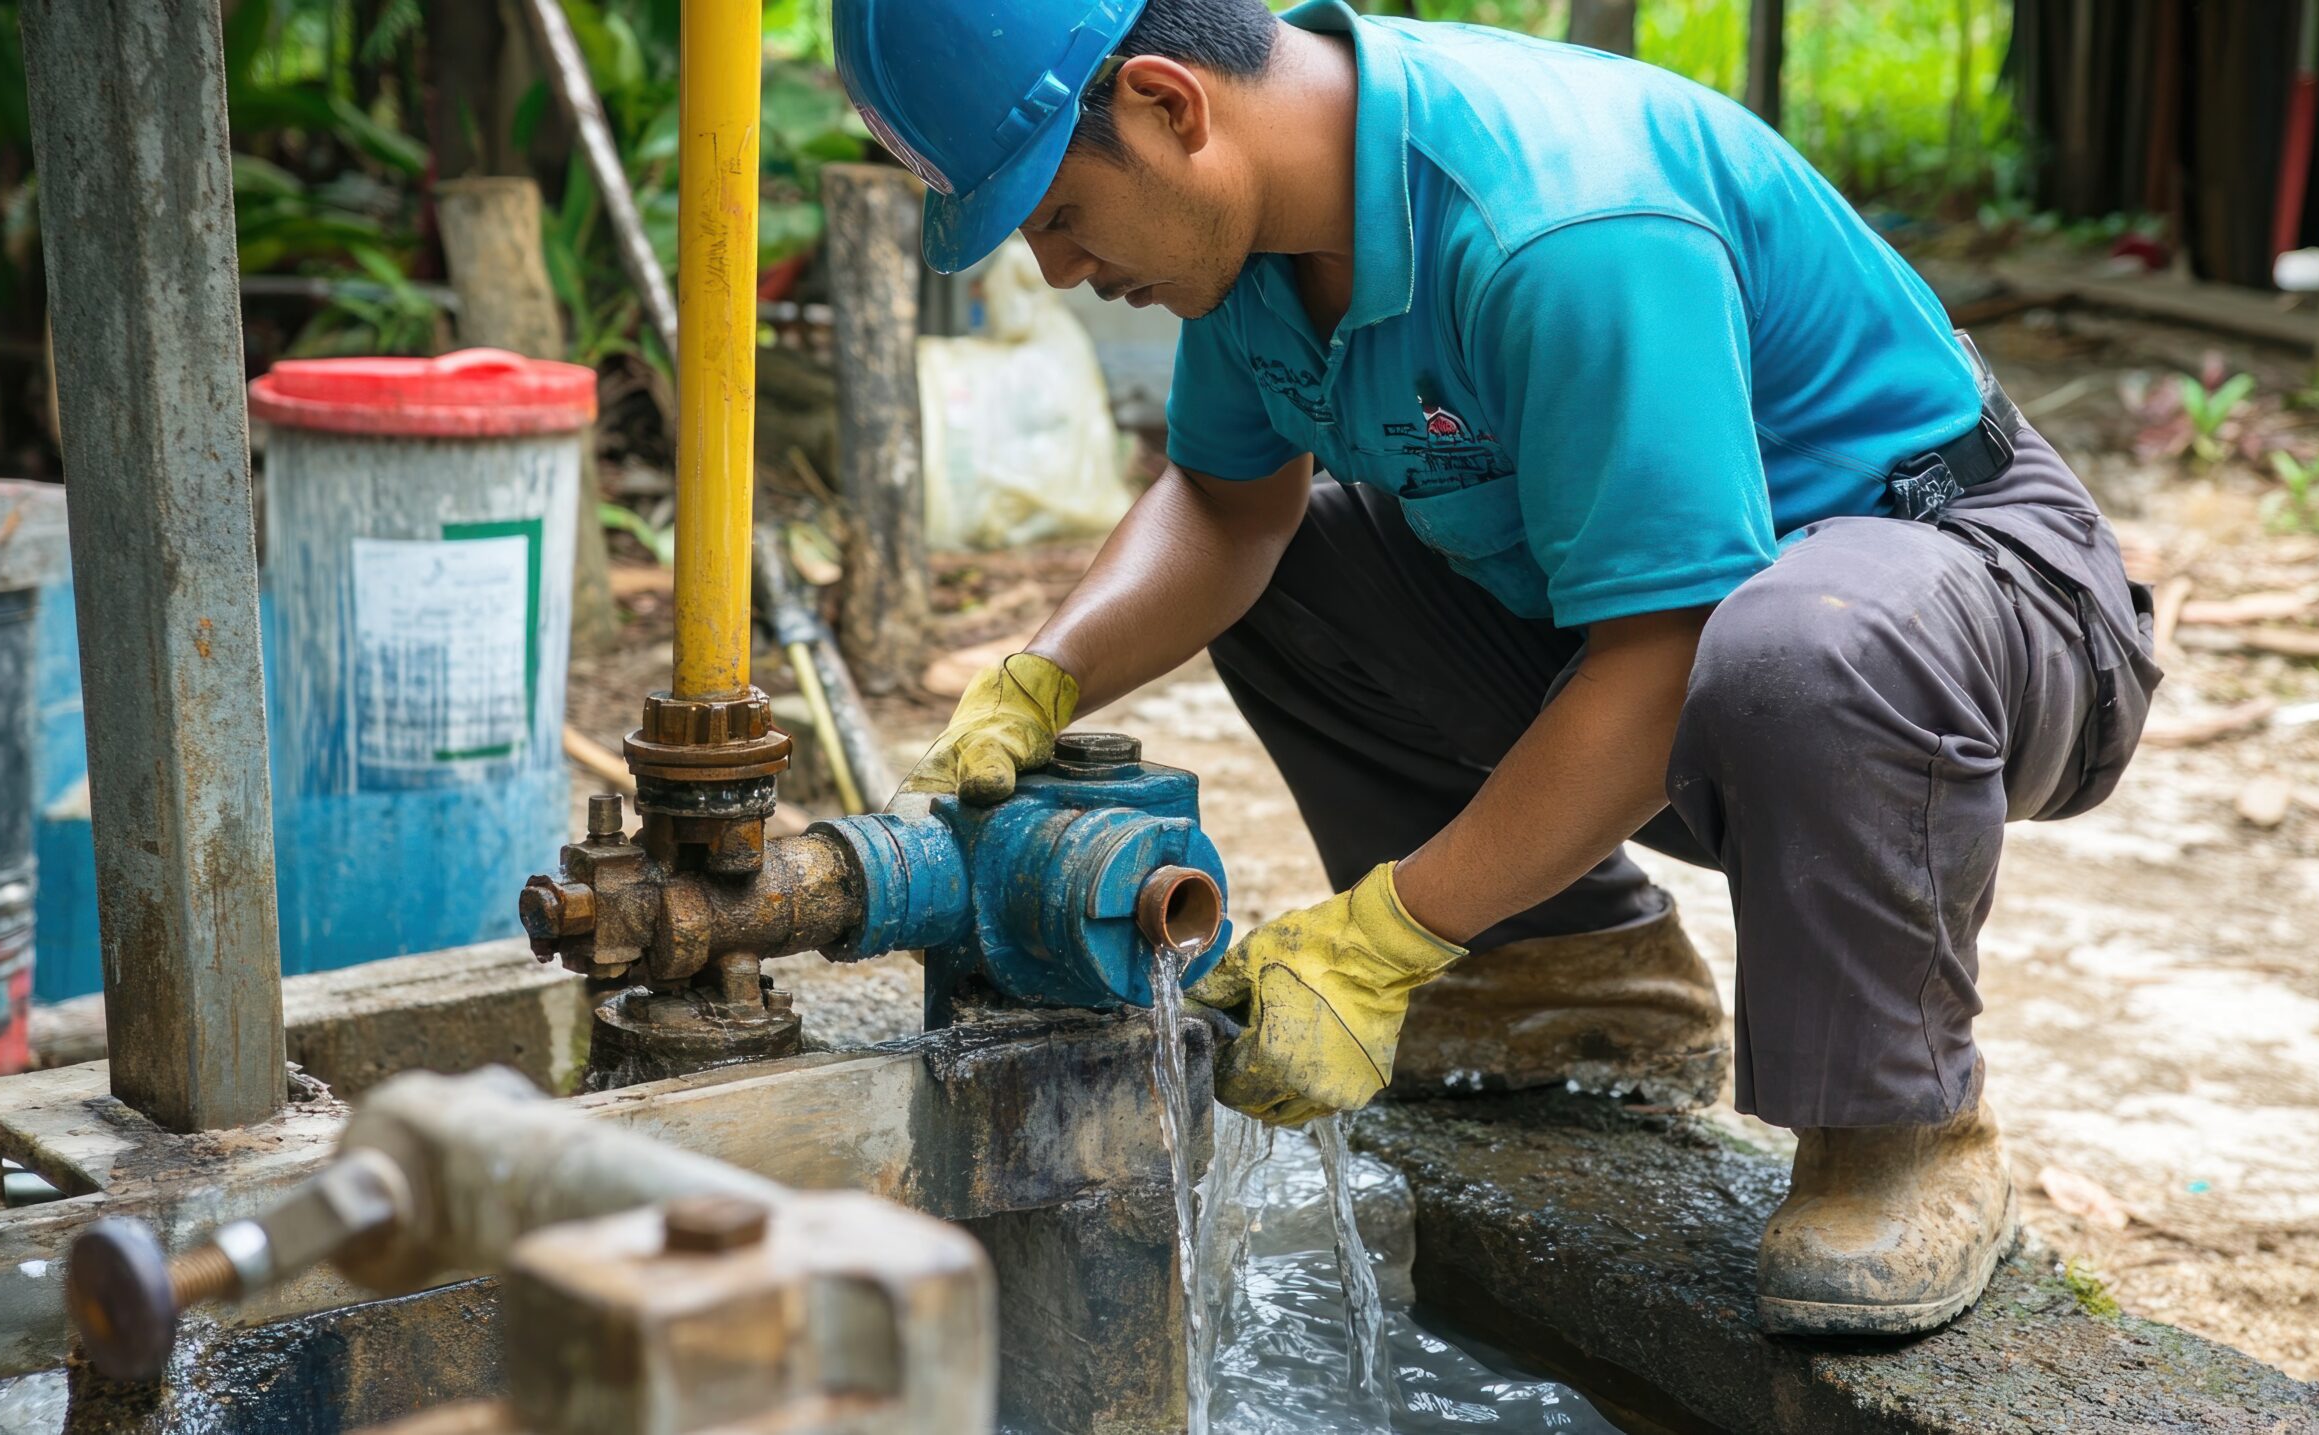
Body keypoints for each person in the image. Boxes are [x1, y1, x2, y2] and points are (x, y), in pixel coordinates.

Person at [833, 0, 2160, 1336]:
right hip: (1708, 643)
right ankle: (1567, 975)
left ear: (1171, 108)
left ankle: (1902, 1126)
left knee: (1794, 645)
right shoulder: (1258, 248)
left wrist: (1384, 934)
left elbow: (1670, 648)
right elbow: (1230, 512)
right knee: (1311, 570)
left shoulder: (1558, 226)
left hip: (1975, 603)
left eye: (1057, 213)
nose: (1059, 268)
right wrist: (1040, 677)